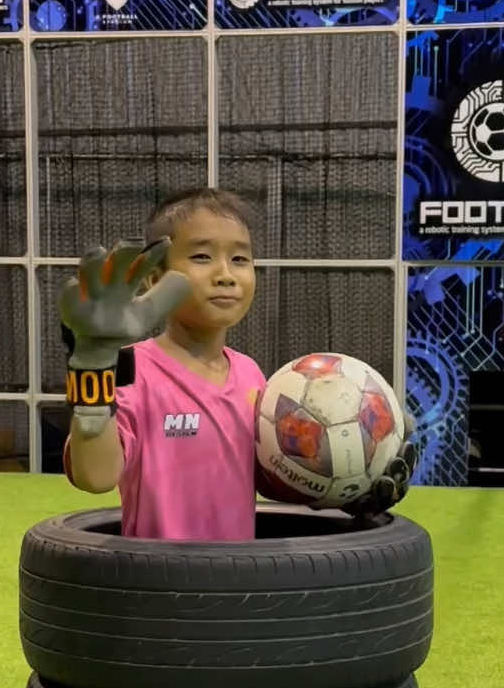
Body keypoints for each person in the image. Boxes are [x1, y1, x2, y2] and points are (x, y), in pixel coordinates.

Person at [60, 185, 415, 541]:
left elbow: (269, 478)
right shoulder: (129, 371)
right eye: (201, 257)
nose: (225, 274)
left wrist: (351, 487)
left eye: (240, 259)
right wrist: (93, 367)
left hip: (239, 583)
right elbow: (96, 477)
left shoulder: (252, 376)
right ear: (155, 278)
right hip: (158, 583)